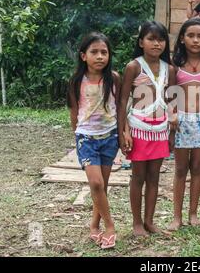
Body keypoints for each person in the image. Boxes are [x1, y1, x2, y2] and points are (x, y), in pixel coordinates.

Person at [118, 21, 176, 237]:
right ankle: (136, 223)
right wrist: (124, 131)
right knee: (138, 177)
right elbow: (123, 101)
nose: (156, 44)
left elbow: (171, 100)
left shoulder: (169, 69)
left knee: (154, 177)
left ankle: (150, 221)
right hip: (138, 128)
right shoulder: (134, 66)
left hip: (160, 128)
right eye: (151, 39)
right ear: (141, 42)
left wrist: (171, 131)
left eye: (160, 40)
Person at [67, 32, 121, 249]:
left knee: (102, 186)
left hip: (109, 137)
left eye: (104, 52)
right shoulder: (76, 81)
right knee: (96, 183)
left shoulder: (113, 78)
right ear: (83, 56)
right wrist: (76, 137)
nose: (100, 56)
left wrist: (122, 133)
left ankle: (93, 225)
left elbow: (120, 107)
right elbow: (73, 112)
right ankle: (110, 227)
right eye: (94, 52)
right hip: (86, 138)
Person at [167, 18, 200, 231]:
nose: (195, 40)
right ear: (182, 39)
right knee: (180, 169)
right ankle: (176, 216)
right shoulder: (173, 65)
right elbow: (169, 95)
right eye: (190, 35)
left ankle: (193, 213)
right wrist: (172, 115)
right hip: (181, 121)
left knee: (197, 168)